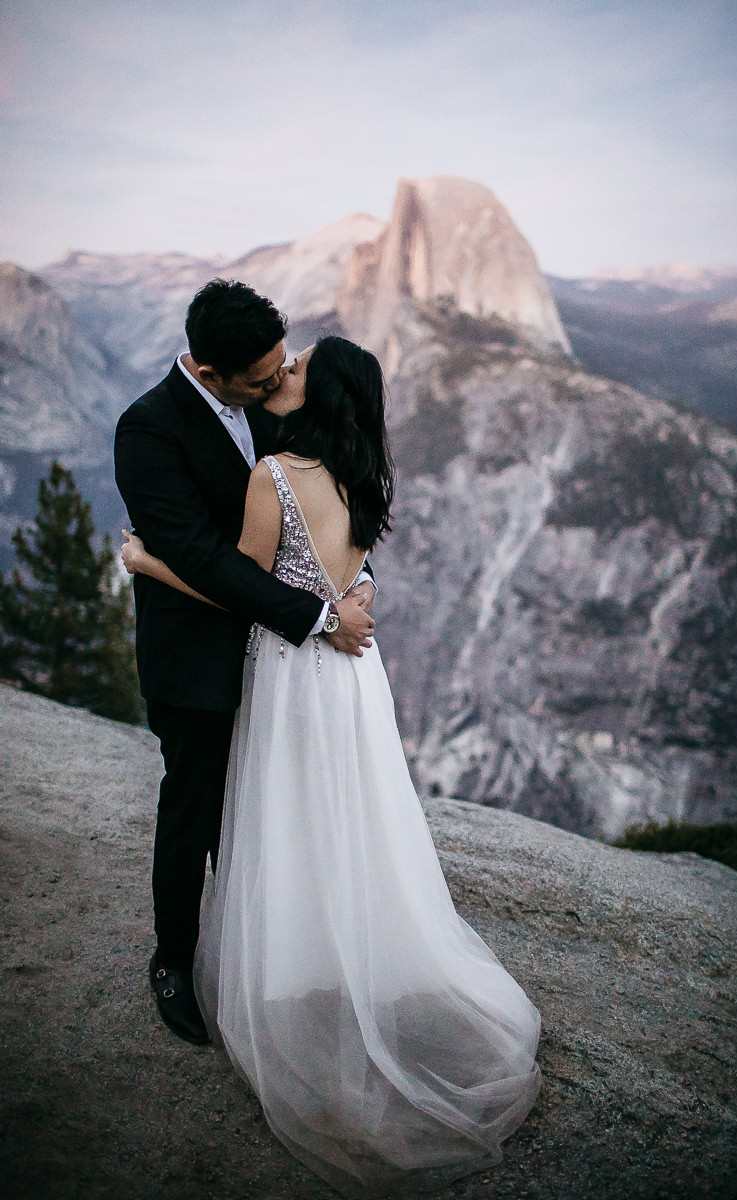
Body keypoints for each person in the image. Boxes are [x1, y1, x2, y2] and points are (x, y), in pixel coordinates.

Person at [120, 335, 542, 1197]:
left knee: (281, 817)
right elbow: (344, 566)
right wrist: (351, 601)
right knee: (343, 816)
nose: (285, 373)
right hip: (352, 679)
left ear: (317, 397)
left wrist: (144, 560)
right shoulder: (359, 474)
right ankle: (344, 953)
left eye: (300, 368)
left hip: (289, 672)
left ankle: (289, 972)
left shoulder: (273, 477)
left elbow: (235, 587)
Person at [114, 282, 376, 1046]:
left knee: (267, 814)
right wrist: (319, 618)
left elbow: (330, 500)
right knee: (193, 808)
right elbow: (199, 557)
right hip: (196, 656)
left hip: (280, 659)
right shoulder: (148, 430)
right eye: (259, 381)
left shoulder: (274, 401)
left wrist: (353, 583)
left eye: (279, 371)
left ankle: (263, 953)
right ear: (204, 370)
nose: (274, 387)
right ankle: (173, 961)